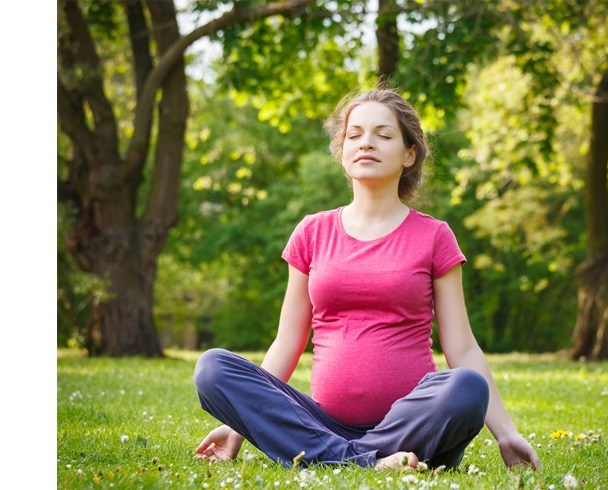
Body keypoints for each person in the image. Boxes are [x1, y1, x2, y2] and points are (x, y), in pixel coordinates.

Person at [193, 88, 541, 471]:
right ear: (342, 153)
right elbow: (288, 341)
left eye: (383, 134)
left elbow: (462, 346)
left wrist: (506, 432)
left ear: (410, 154)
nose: (366, 144)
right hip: (322, 424)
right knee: (213, 367)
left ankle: (337, 459)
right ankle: (367, 462)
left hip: (413, 428)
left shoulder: (435, 236)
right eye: (354, 135)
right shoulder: (312, 232)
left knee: (466, 386)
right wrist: (237, 425)